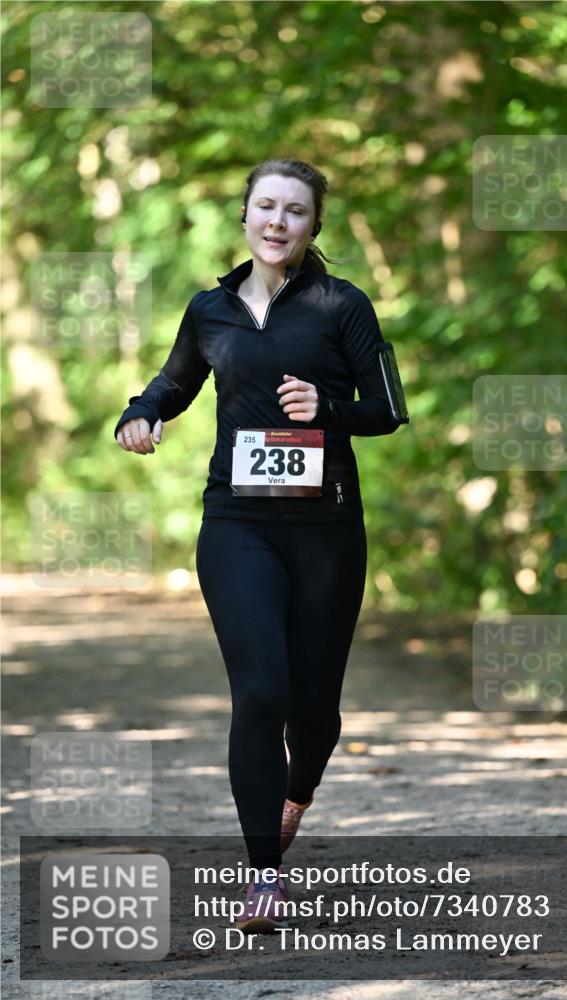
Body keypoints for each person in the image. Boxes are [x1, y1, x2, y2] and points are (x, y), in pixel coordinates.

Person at [114, 158, 405, 933]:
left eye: (295, 211)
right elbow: (174, 383)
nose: (278, 221)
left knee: (313, 713)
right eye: (266, 207)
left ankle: (295, 796)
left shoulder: (342, 305)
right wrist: (140, 413)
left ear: (313, 226)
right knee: (260, 692)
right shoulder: (209, 309)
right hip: (236, 524)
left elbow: (386, 408)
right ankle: (263, 879)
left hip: (326, 530)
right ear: (244, 215)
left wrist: (327, 407)